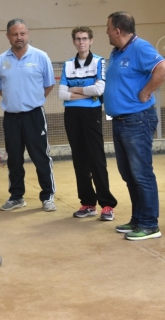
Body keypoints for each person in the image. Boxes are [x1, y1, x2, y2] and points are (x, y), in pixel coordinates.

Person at [103, 11, 165, 241]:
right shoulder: (117, 52)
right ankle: (138, 219)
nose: (106, 32)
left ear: (118, 30)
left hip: (137, 120)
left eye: (108, 28)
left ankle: (150, 224)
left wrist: (145, 92)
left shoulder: (140, 47)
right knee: (129, 173)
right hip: (121, 121)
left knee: (141, 173)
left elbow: (164, 69)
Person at [0, 19, 57, 212]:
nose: (19, 37)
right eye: (14, 34)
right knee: (14, 159)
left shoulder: (41, 57)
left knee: (41, 157)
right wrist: (16, 102)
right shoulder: (0, 60)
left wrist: (32, 101)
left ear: (27, 34)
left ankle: (47, 196)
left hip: (34, 116)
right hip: (11, 118)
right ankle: (16, 197)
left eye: (22, 33)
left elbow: (49, 84)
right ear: (8, 36)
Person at [58, 27, 117, 220]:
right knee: (79, 159)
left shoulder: (99, 61)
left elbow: (99, 89)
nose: (81, 42)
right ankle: (87, 203)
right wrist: (85, 92)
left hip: (92, 113)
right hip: (72, 114)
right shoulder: (68, 65)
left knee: (96, 158)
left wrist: (74, 90)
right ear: (74, 41)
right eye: (78, 39)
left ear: (91, 41)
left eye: (84, 38)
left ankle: (107, 204)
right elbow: (61, 94)